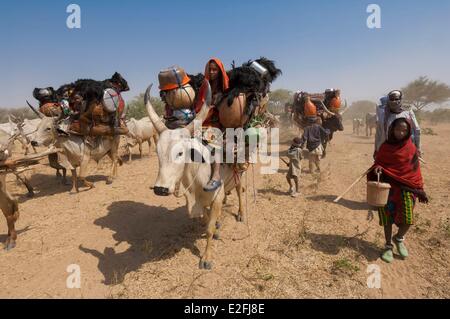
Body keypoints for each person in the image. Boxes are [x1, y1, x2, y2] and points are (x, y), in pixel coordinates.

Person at [369, 117, 429, 263]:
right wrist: (377, 169)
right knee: (387, 219)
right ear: (392, 130)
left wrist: (419, 187)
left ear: (408, 131)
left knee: (408, 219)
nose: (400, 133)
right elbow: (378, 164)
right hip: (388, 188)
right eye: (397, 129)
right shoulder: (385, 147)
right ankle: (388, 245)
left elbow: (415, 170)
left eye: (404, 130)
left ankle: (399, 238)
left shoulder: (411, 148)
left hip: (406, 188)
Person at [195, 58, 230, 192]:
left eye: (215, 69)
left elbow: (227, 109)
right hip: (202, 121)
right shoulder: (204, 86)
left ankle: (216, 175)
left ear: (220, 71)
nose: (212, 72)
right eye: (210, 69)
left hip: (218, 123)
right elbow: (199, 104)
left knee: (215, 139)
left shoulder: (225, 88)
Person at [375, 90, 422, 158]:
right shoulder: (383, 115)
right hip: (386, 151)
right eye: (391, 99)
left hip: (405, 151)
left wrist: (418, 147)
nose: (394, 101)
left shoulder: (407, 113)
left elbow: (417, 129)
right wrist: (376, 150)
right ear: (388, 100)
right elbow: (378, 134)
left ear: (400, 100)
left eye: (396, 99)